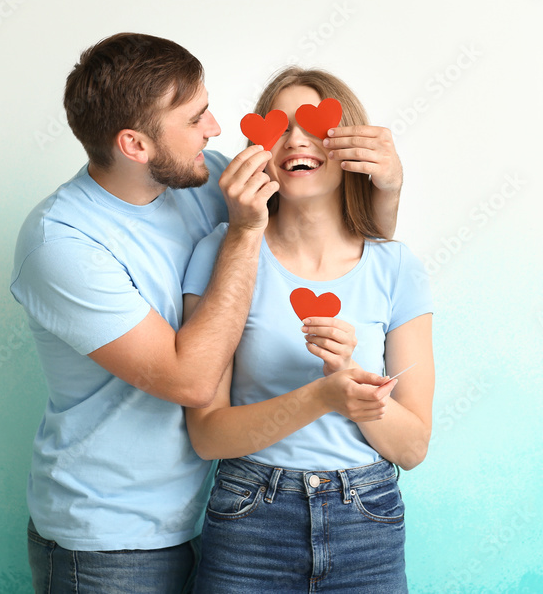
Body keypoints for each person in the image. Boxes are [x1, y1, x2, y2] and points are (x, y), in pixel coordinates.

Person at [9, 34, 403, 593]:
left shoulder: (199, 180)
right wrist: (244, 231)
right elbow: (192, 380)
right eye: (195, 119)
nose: (216, 129)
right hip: (110, 540)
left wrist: (388, 187)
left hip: (219, 518)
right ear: (135, 145)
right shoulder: (62, 244)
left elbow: (342, 240)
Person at [183, 68, 435, 593]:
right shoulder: (220, 253)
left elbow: (411, 449)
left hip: (367, 520)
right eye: (279, 127)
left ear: (351, 147)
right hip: (249, 516)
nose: (297, 138)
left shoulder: (396, 267)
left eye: (315, 124)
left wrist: (348, 375)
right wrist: (323, 394)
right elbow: (208, 436)